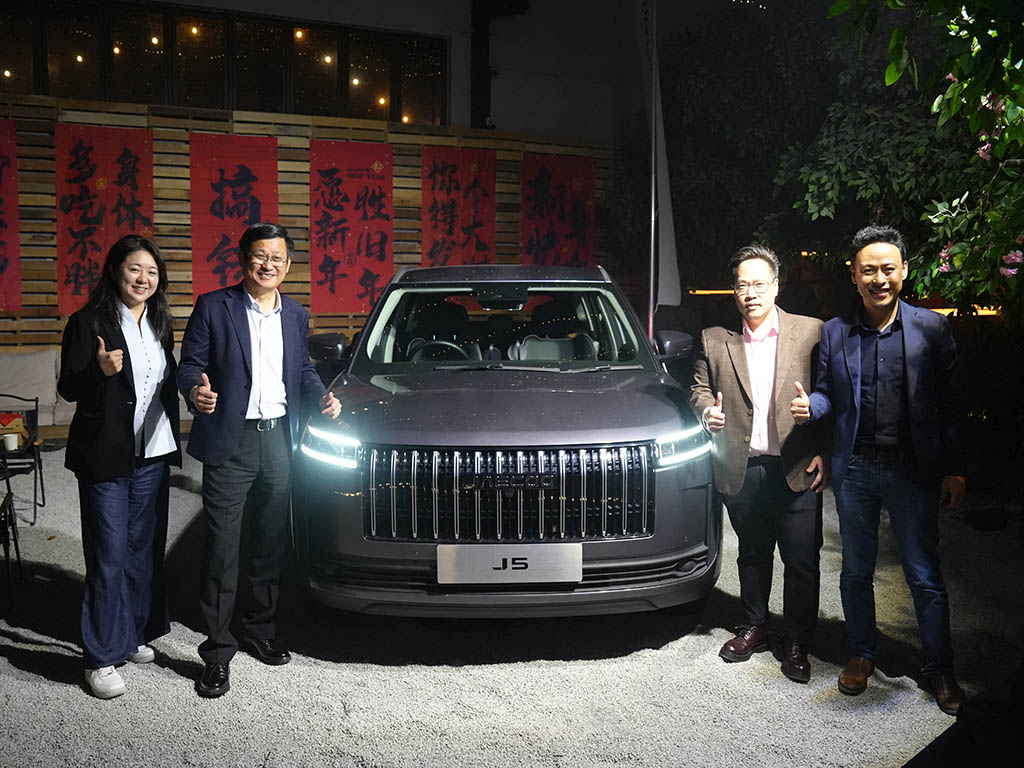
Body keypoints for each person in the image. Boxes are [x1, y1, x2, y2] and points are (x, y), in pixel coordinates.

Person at [791, 224, 967, 715]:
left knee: (923, 573)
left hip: (913, 469)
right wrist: (811, 409)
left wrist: (955, 468)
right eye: (868, 270)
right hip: (857, 467)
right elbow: (826, 393)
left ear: (904, 271)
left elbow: (953, 404)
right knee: (855, 570)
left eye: (888, 269)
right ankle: (862, 653)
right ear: (854, 275)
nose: (879, 279)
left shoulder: (931, 328)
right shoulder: (836, 331)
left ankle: (939, 668)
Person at [177, 222, 341, 698]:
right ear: (244, 259)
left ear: (288, 265)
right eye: (260, 256)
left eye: (277, 258)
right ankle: (217, 651)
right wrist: (195, 392)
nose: (268, 265)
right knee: (222, 548)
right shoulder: (214, 306)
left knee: (270, 543)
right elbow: (190, 365)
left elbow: (302, 369)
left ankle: (260, 628)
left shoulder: (296, 314)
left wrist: (321, 396)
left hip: (279, 441)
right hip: (232, 442)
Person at [689, 244, 829, 683]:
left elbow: (831, 392)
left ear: (776, 286)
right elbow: (698, 389)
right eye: (742, 285)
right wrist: (705, 411)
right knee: (752, 553)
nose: (751, 293)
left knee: (802, 559)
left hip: (797, 462)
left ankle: (799, 639)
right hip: (743, 464)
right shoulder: (715, 339)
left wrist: (823, 442)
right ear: (734, 291)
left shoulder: (811, 332)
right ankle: (754, 626)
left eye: (759, 284)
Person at [57, 235, 180, 699]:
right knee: (108, 553)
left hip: (152, 452)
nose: (143, 279)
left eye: (151, 272)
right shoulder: (87, 322)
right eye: (134, 269)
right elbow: (69, 387)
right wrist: (99, 371)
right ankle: (100, 656)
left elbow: (165, 383)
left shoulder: (160, 323)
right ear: (114, 271)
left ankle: (130, 633)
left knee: (141, 550)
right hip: (105, 454)